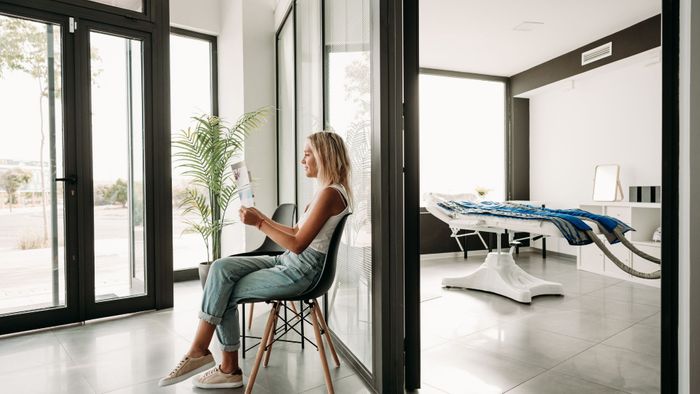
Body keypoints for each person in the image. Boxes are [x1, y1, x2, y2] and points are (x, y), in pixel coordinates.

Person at [159, 131, 353, 389]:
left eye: (307, 154)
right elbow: (295, 232)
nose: (302, 160)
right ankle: (204, 354)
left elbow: (297, 245)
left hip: (302, 272)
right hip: (288, 262)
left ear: (324, 156)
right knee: (220, 268)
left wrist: (260, 223)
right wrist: (260, 216)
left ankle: (221, 365)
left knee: (223, 290)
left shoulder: (331, 194)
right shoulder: (324, 192)